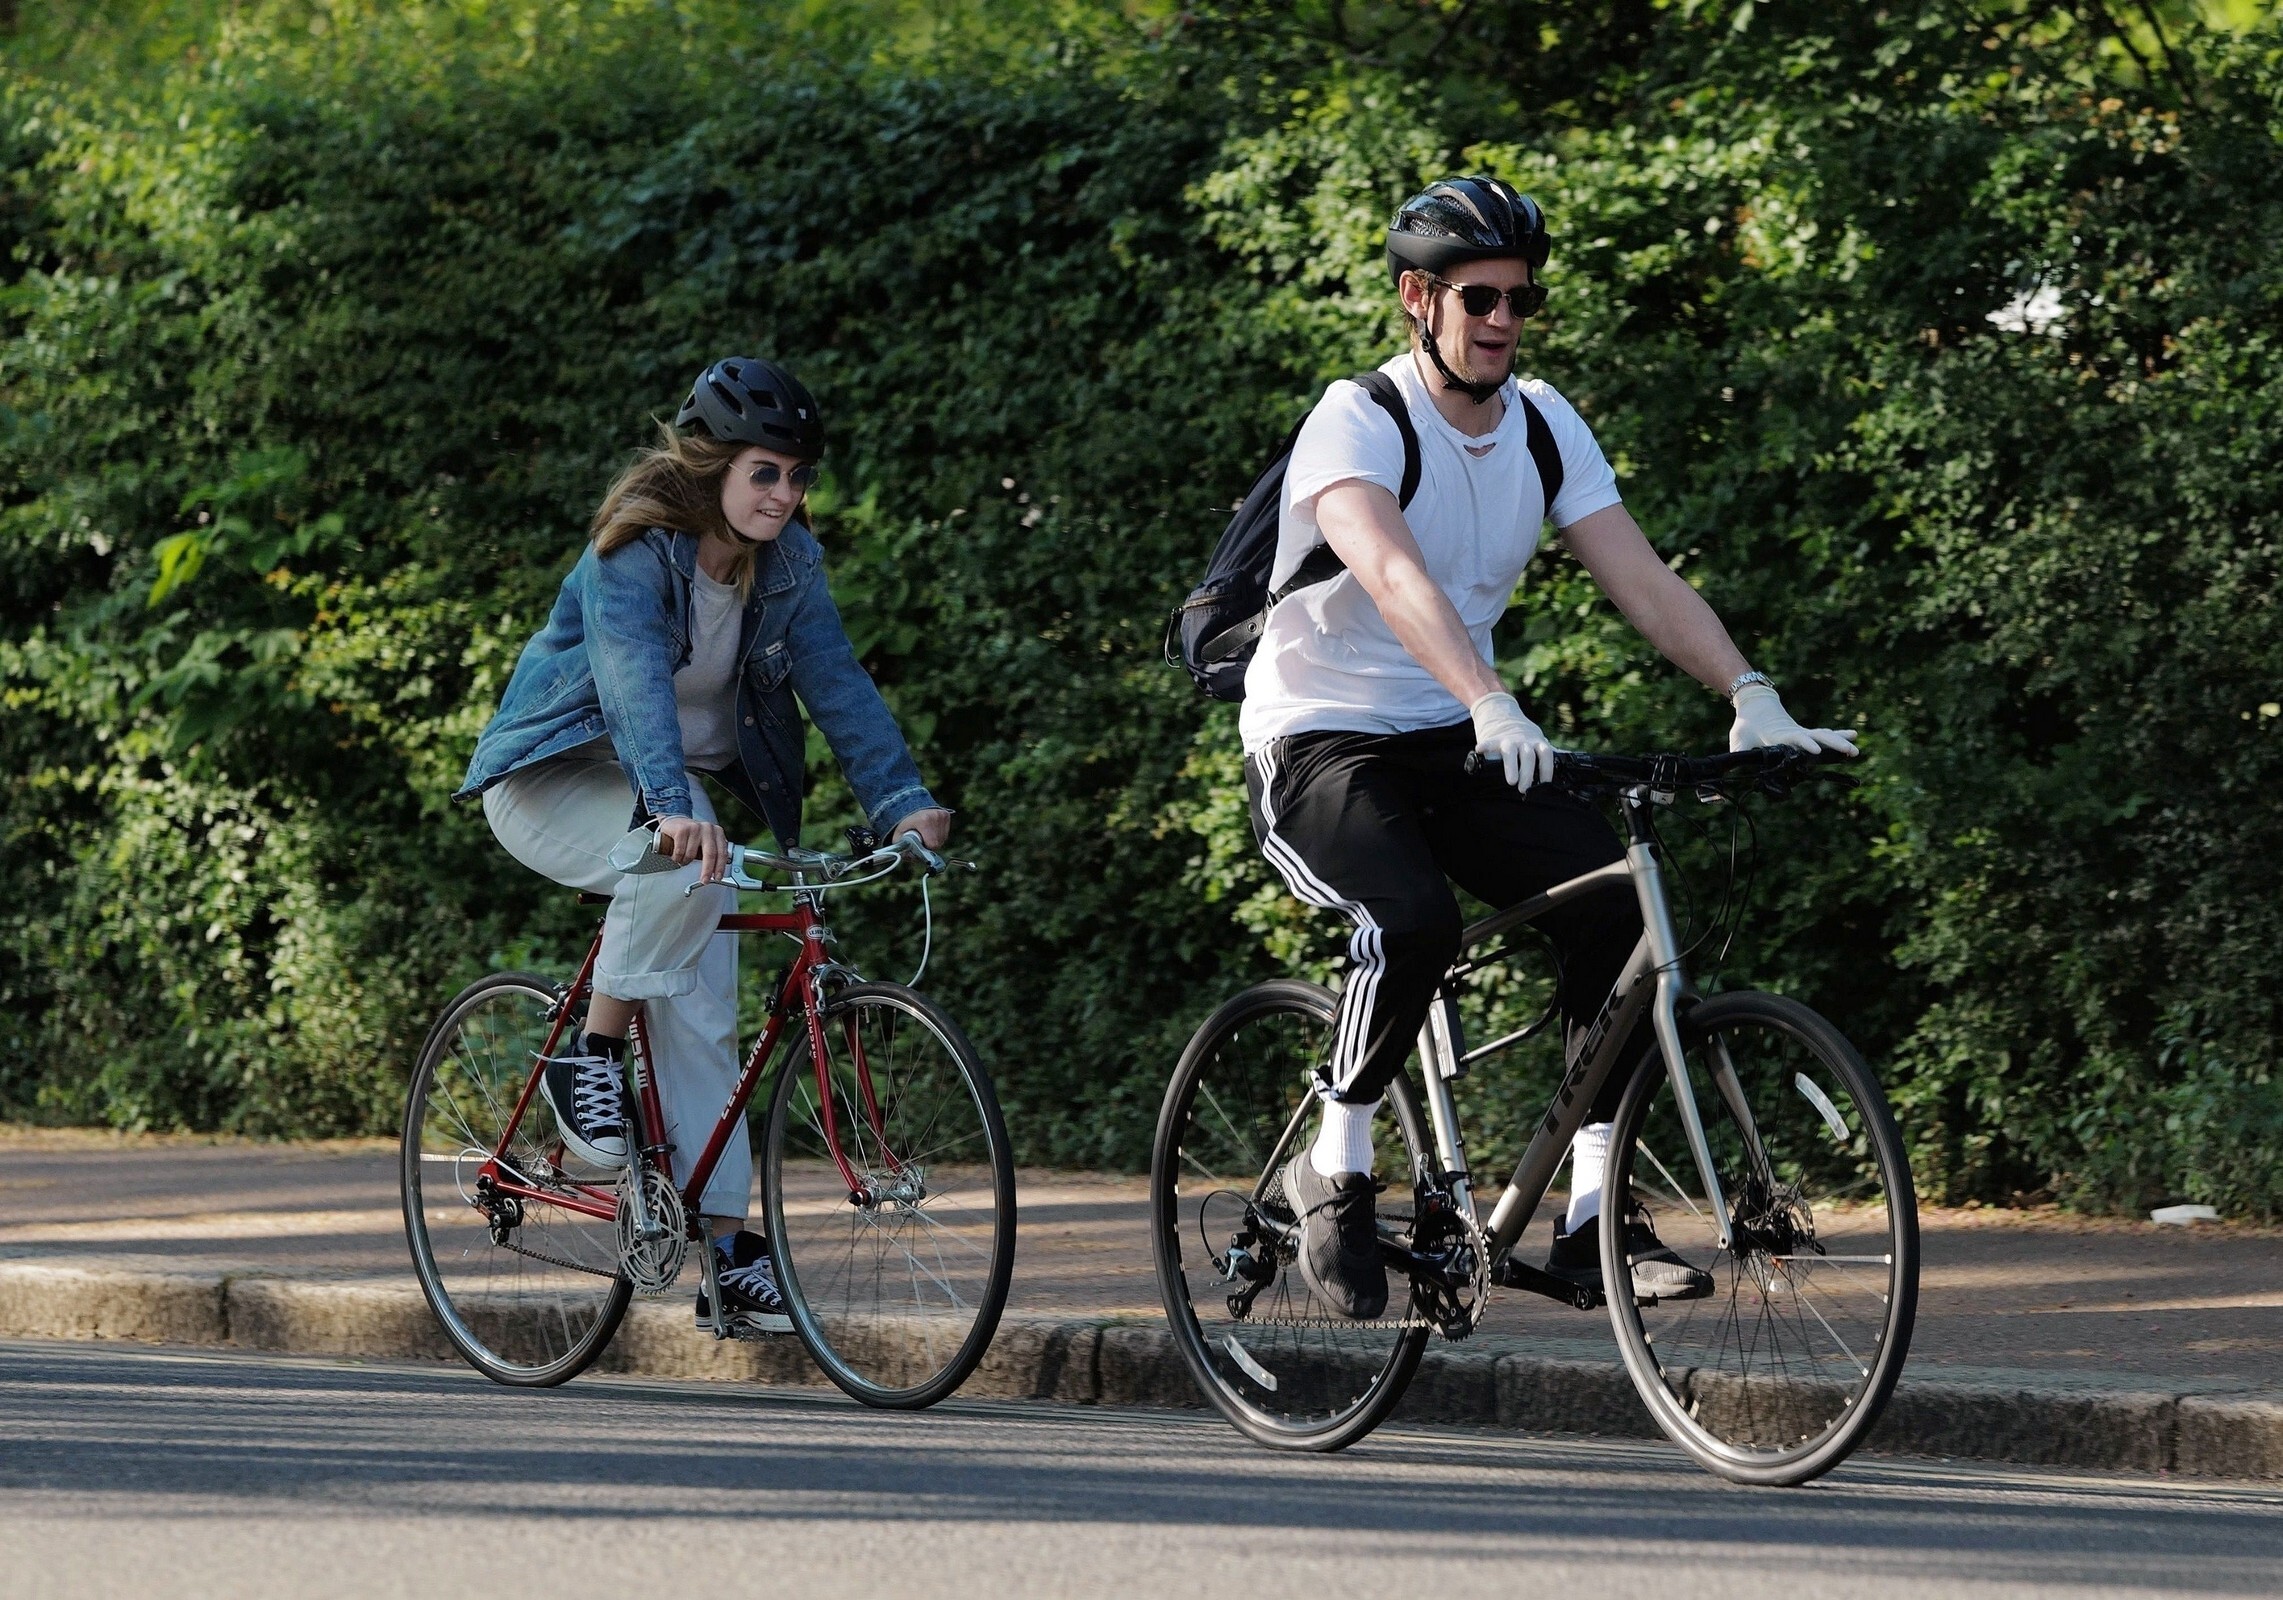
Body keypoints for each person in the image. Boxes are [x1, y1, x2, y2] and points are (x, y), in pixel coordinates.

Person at [1241, 177, 1855, 1319]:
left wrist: (1749, 692)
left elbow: (1640, 573)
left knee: (1615, 914)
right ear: (1418, 298)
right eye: (1481, 298)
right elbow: (1391, 571)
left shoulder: (1540, 419)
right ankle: (1333, 1157)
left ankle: (1589, 1219)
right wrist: (1490, 696)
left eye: (1523, 299)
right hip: (1321, 736)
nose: (1505, 321)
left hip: (1454, 735)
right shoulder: (1359, 418)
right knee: (1409, 921)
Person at [455, 356, 951, 1333]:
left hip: (673, 811)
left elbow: (838, 683)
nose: (785, 494)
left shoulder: (789, 567)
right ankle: (586, 1059)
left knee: (705, 1021)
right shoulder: (633, 553)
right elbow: (635, 679)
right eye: (765, 472)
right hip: (551, 781)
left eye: (798, 476)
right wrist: (669, 801)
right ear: (713, 463)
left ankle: (728, 1253)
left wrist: (902, 797)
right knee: (686, 856)